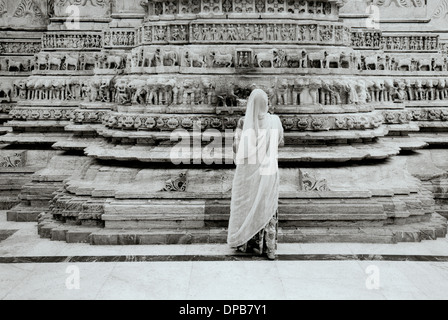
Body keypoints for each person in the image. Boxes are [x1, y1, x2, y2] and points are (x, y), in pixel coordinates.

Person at [227, 89, 284, 260]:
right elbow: (281, 142)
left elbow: (237, 148)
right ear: (266, 103)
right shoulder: (275, 121)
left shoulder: (244, 122)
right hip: (269, 171)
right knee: (266, 205)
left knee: (246, 204)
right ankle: (269, 247)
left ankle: (246, 243)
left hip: (248, 173)